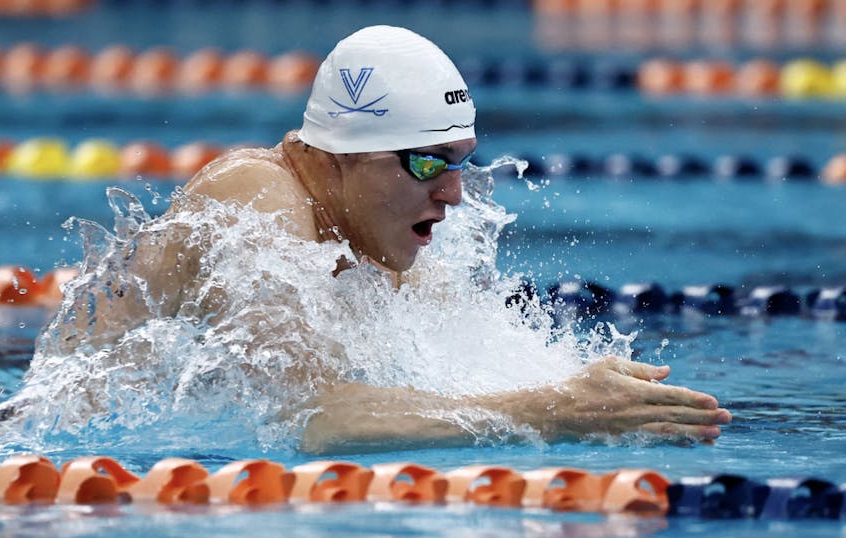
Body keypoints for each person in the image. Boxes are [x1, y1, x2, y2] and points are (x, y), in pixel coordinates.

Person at [54, 25, 731, 453]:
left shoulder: (372, 235)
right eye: (427, 162)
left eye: (459, 161)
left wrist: (604, 400)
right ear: (341, 157)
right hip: (61, 461)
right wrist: (553, 409)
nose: (454, 193)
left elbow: (460, 372)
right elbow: (309, 416)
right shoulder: (255, 197)